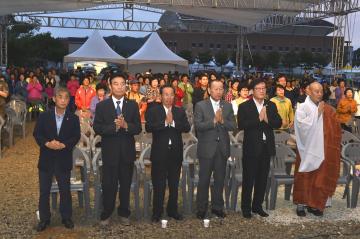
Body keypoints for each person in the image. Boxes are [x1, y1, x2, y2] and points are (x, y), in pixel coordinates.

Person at [93, 73, 142, 226]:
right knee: (109, 184)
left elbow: (138, 128)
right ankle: (106, 213)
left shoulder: (132, 105)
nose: (119, 86)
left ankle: (124, 212)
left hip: (127, 152)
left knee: (126, 185)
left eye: (122, 84)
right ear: (110, 85)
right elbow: (97, 127)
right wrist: (113, 127)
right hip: (110, 152)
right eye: (116, 83)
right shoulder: (102, 105)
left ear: (126, 85)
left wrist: (126, 126)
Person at [33, 87, 81, 232]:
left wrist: (64, 144)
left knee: (65, 190)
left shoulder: (73, 118)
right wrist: (47, 143)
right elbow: (37, 133)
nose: (63, 100)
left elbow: (76, 136)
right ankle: (44, 219)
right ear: (54, 99)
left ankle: (66, 217)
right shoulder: (44, 116)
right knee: (44, 191)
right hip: (46, 158)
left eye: (66, 98)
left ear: (68, 100)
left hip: (63, 158)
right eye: (60, 97)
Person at [293, 82, 341, 217]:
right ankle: (301, 204)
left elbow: (336, 130)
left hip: (323, 149)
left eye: (320, 91)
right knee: (304, 176)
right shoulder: (302, 108)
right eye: (316, 91)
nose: (319, 94)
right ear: (308, 91)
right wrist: (317, 115)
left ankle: (315, 204)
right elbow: (301, 127)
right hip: (306, 150)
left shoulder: (329, 109)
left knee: (319, 177)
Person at [237, 78, 282, 219]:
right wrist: (259, 118)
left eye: (263, 88)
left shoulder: (271, 105)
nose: (262, 91)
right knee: (249, 178)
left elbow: (278, 123)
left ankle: (258, 206)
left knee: (262, 178)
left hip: (266, 147)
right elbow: (242, 124)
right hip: (251, 148)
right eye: (259, 88)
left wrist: (267, 119)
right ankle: (246, 207)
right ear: (252, 91)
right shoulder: (245, 106)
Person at [145, 85, 190, 222]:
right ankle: (157, 212)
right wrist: (165, 123)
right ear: (161, 96)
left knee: (174, 184)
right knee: (158, 184)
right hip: (159, 153)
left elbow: (187, 127)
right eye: (166, 94)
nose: (169, 97)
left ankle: (172, 210)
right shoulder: (154, 110)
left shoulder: (179, 111)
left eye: (171, 95)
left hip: (175, 153)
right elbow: (149, 127)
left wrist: (174, 122)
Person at [194, 79, 236, 219]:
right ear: (209, 90)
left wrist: (223, 121)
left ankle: (217, 207)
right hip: (207, 148)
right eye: (215, 89)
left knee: (220, 179)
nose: (218, 91)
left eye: (221, 89)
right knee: (204, 180)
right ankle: (201, 208)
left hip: (222, 148)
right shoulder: (200, 105)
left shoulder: (228, 106)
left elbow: (233, 126)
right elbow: (198, 126)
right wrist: (213, 121)